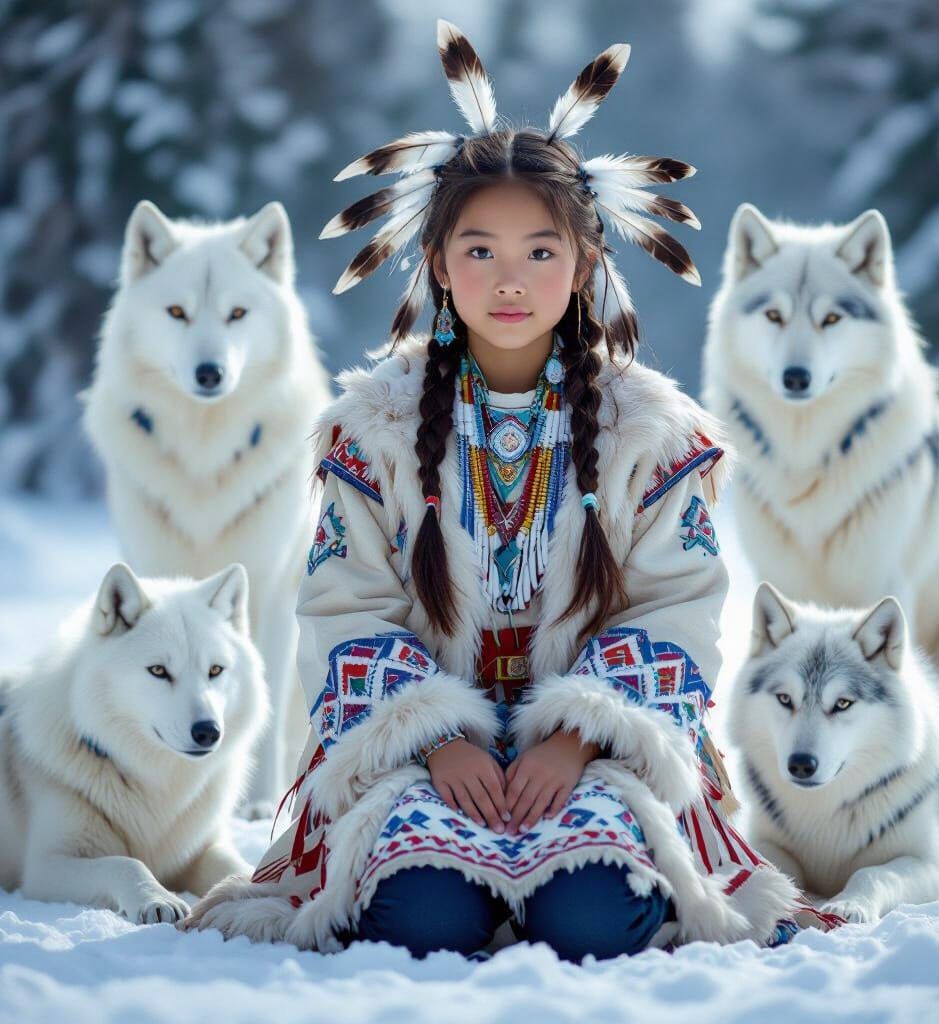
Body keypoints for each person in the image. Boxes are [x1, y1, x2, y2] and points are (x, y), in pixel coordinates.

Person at [183, 19, 837, 961]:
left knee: (591, 920)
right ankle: (451, 873)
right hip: (419, 758)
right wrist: (437, 739)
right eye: (479, 249)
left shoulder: (652, 435)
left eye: (541, 250)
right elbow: (342, 609)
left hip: (596, 762)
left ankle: (574, 877)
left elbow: (681, 610)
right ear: (438, 265)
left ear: (584, 266)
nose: (511, 278)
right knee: (424, 921)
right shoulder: (373, 431)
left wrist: (574, 737)